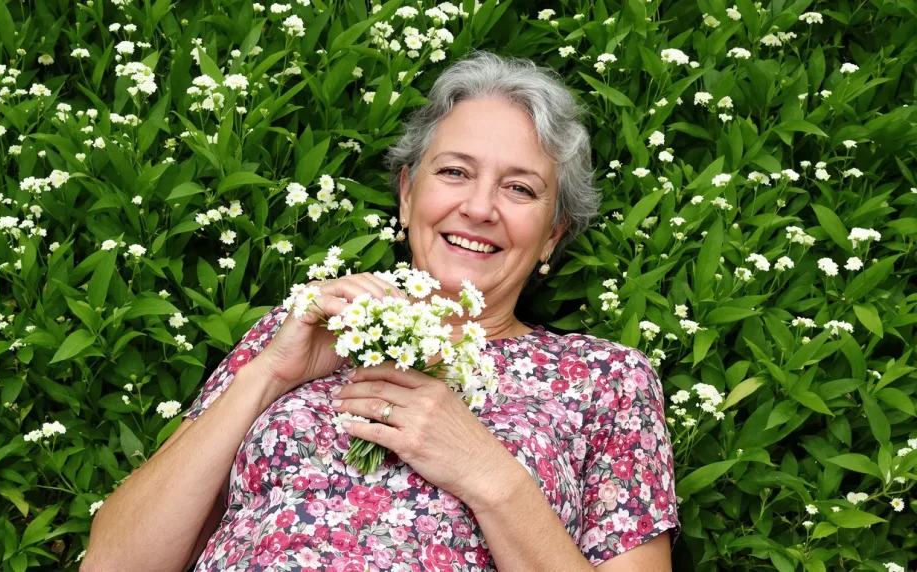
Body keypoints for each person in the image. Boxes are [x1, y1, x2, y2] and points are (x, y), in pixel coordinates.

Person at [83, 50, 680, 572]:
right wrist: (269, 375)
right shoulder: (311, 326)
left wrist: (486, 471)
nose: (479, 207)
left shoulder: (606, 380)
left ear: (552, 234)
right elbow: (114, 563)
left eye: (519, 189)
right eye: (454, 172)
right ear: (406, 192)